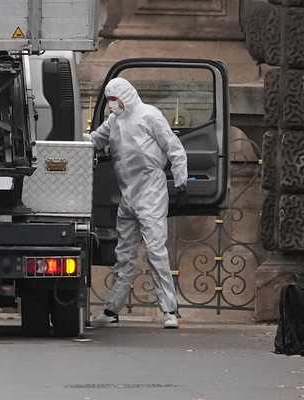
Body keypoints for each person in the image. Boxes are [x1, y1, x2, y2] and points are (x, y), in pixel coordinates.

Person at [89, 78, 188, 329]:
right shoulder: (113, 122)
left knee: (156, 250)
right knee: (124, 255)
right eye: (109, 101)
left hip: (151, 191)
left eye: (115, 100)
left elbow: (173, 147)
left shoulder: (149, 116)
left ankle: (169, 309)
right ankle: (112, 309)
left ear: (126, 96)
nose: (112, 105)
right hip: (128, 194)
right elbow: (94, 141)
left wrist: (181, 180)